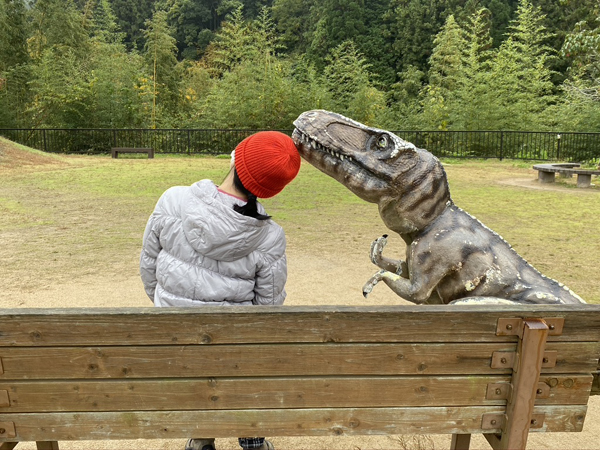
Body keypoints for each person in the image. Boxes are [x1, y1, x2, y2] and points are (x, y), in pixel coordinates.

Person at [140, 131, 301, 450]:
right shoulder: (270, 237)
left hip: (177, 340)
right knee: (249, 354)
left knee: (203, 359)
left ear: (235, 157)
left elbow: (149, 270)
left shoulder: (172, 201)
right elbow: (267, 312)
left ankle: (201, 439)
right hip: (234, 352)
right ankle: (252, 437)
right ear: (273, 188)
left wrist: (171, 308)